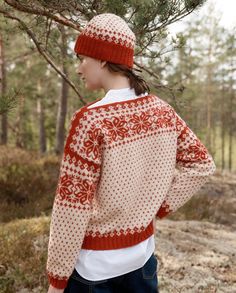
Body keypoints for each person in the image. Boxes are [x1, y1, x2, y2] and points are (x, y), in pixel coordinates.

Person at [46, 13, 216, 293]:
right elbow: (201, 164)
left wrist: (57, 279)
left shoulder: (90, 121)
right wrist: (156, 207)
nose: (79, 68)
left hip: (93, 271)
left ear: (102, 58)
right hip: (142, 262)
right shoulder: (162, 111)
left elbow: (71, 207)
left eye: (82, 58)